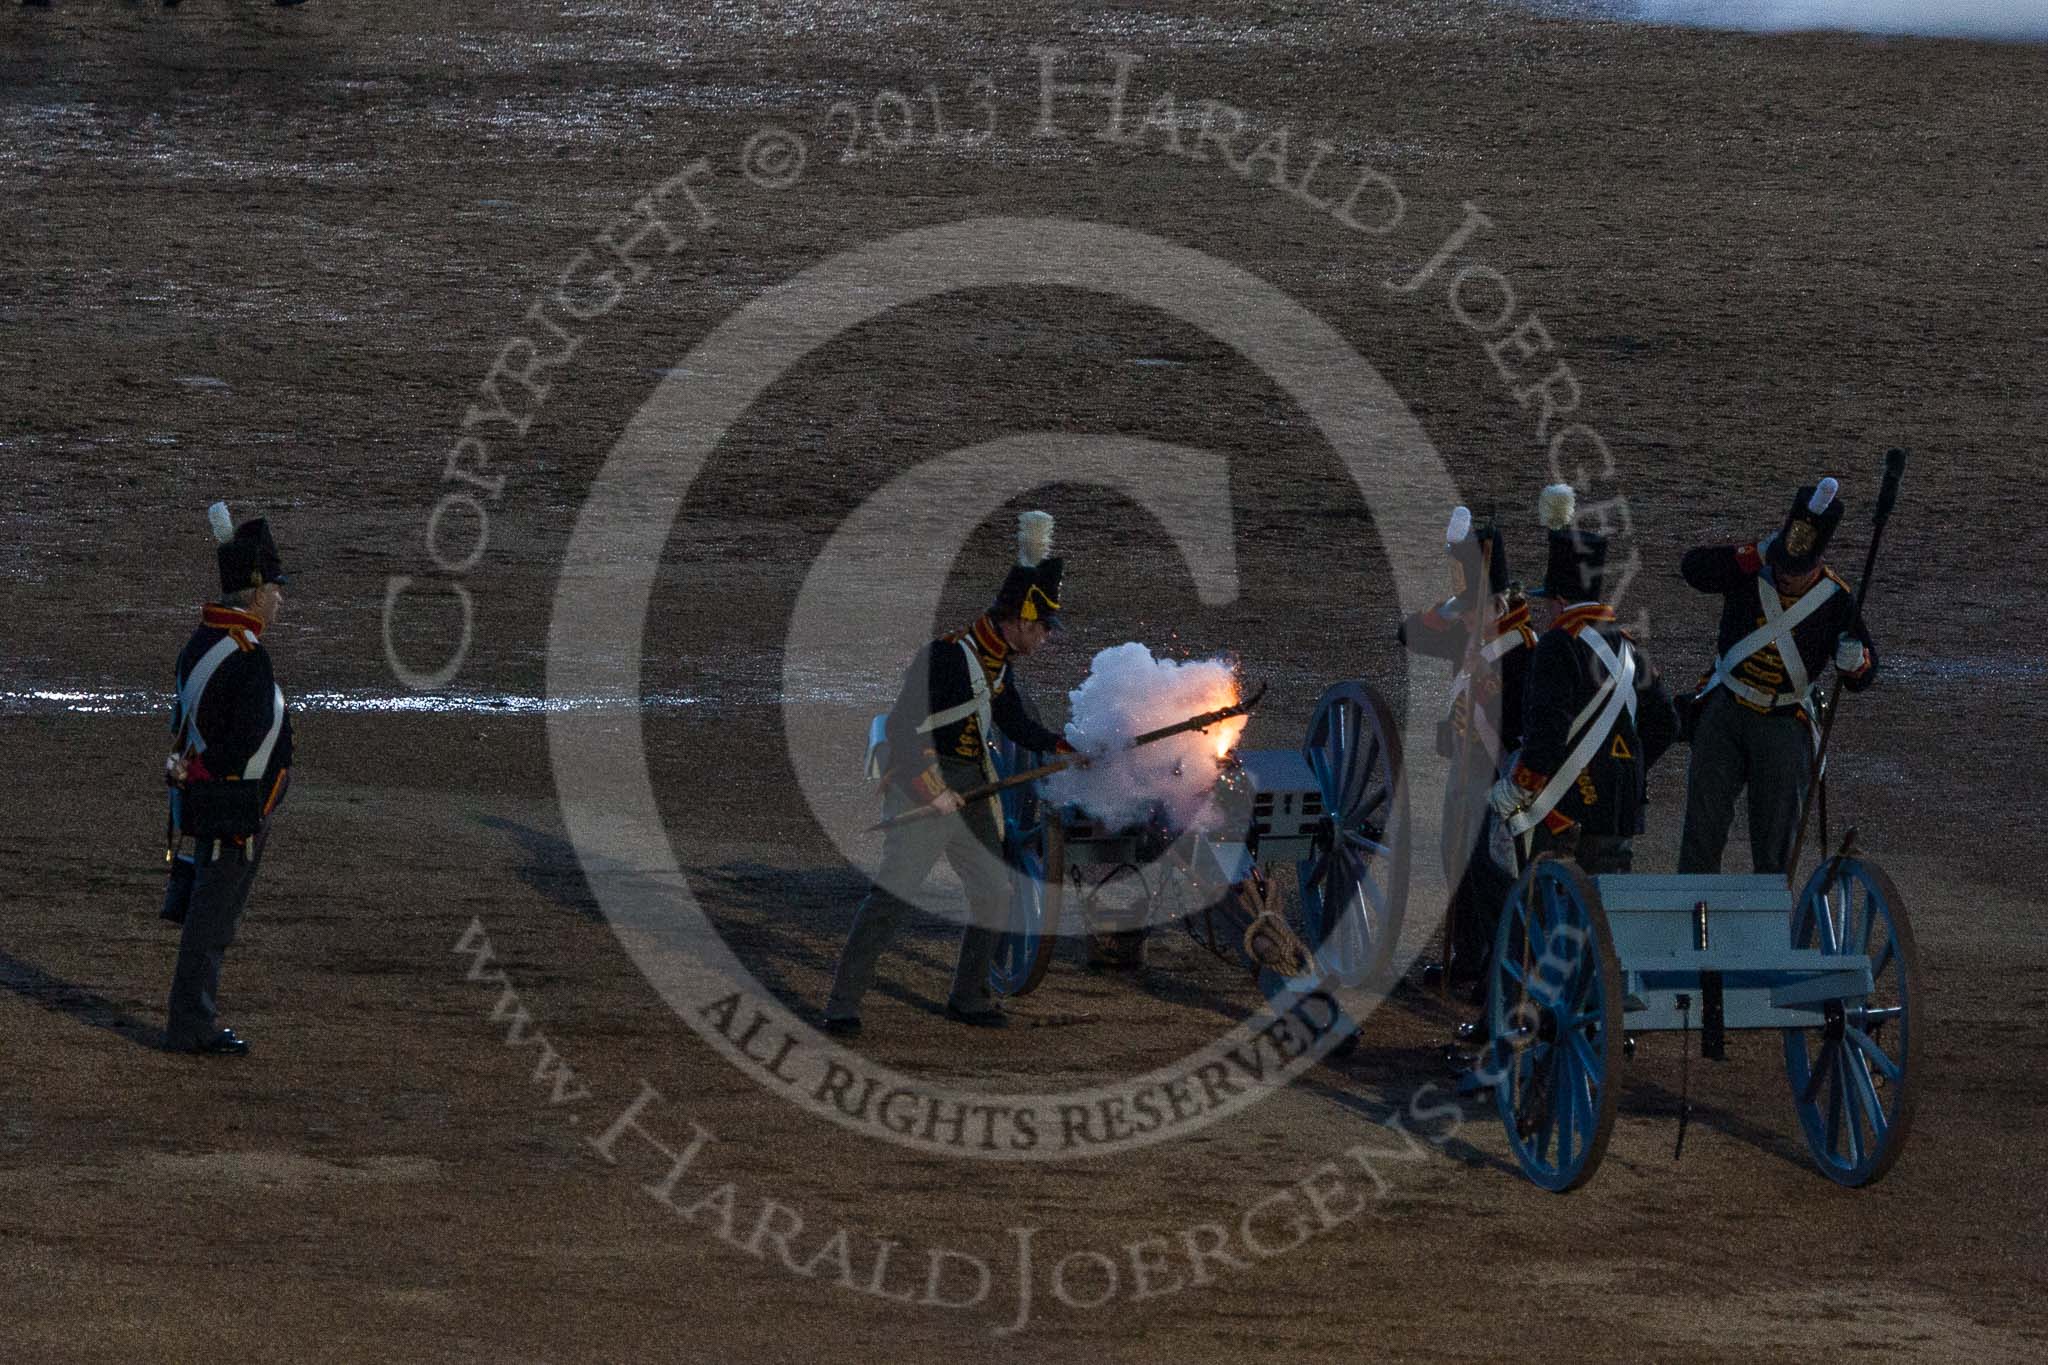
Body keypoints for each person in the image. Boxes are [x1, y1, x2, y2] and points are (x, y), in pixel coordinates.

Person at [822, 511, 1075, 1036]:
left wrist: (1057, 745)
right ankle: (842, 1006)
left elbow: (1010, 719)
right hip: (927, 783)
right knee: (891, 899)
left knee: (994, 889)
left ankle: (969, 995)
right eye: (1044, 628)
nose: (1046, 639)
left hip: (975, 785)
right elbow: (901, 730)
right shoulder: (944, 656)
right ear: (1023, 619)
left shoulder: (998, 661)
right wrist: (932, 792)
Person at [1676, 477, 1877, 875]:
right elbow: (1694, 569)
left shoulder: (1837, 600)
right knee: (1703, 829)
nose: (1785, 574)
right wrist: (1752, 555)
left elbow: (1863, 676)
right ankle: (1694, 923)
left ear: (1817, 563)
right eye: (1782, 563)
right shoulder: (1751, 567)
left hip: (1784, 724)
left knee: (1774, 847)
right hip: (1726, 709)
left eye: (1795, 569)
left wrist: (1854, 661)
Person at [1490, 484, 1677, 876]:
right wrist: (1625, 766)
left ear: (1558, 600)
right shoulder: (1628, 649)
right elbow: (1665, 722)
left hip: (1568, 809)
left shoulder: (1559, 644)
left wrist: (1517, 788)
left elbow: (1547, 727)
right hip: (1622, 810)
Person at [162, 502, 294, 1056]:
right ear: (256, 591)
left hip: (206, 798)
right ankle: (191, 1025)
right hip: (232, 808)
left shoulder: (203, 641)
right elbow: (246, 736)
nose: (282, 599)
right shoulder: (246, 656)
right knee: (212, 923)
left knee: (208, 917)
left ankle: (192, 1019)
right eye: (277, 589)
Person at [1397, 504, 1535, 996]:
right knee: (1454, 860)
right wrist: (1452, 607)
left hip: (1499, 770)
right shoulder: (1465, 625)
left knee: (1490, 868)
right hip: (1463, 761)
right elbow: (1407, 633)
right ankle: (1470, 956)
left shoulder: (1525, 645)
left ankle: (1500, 963)